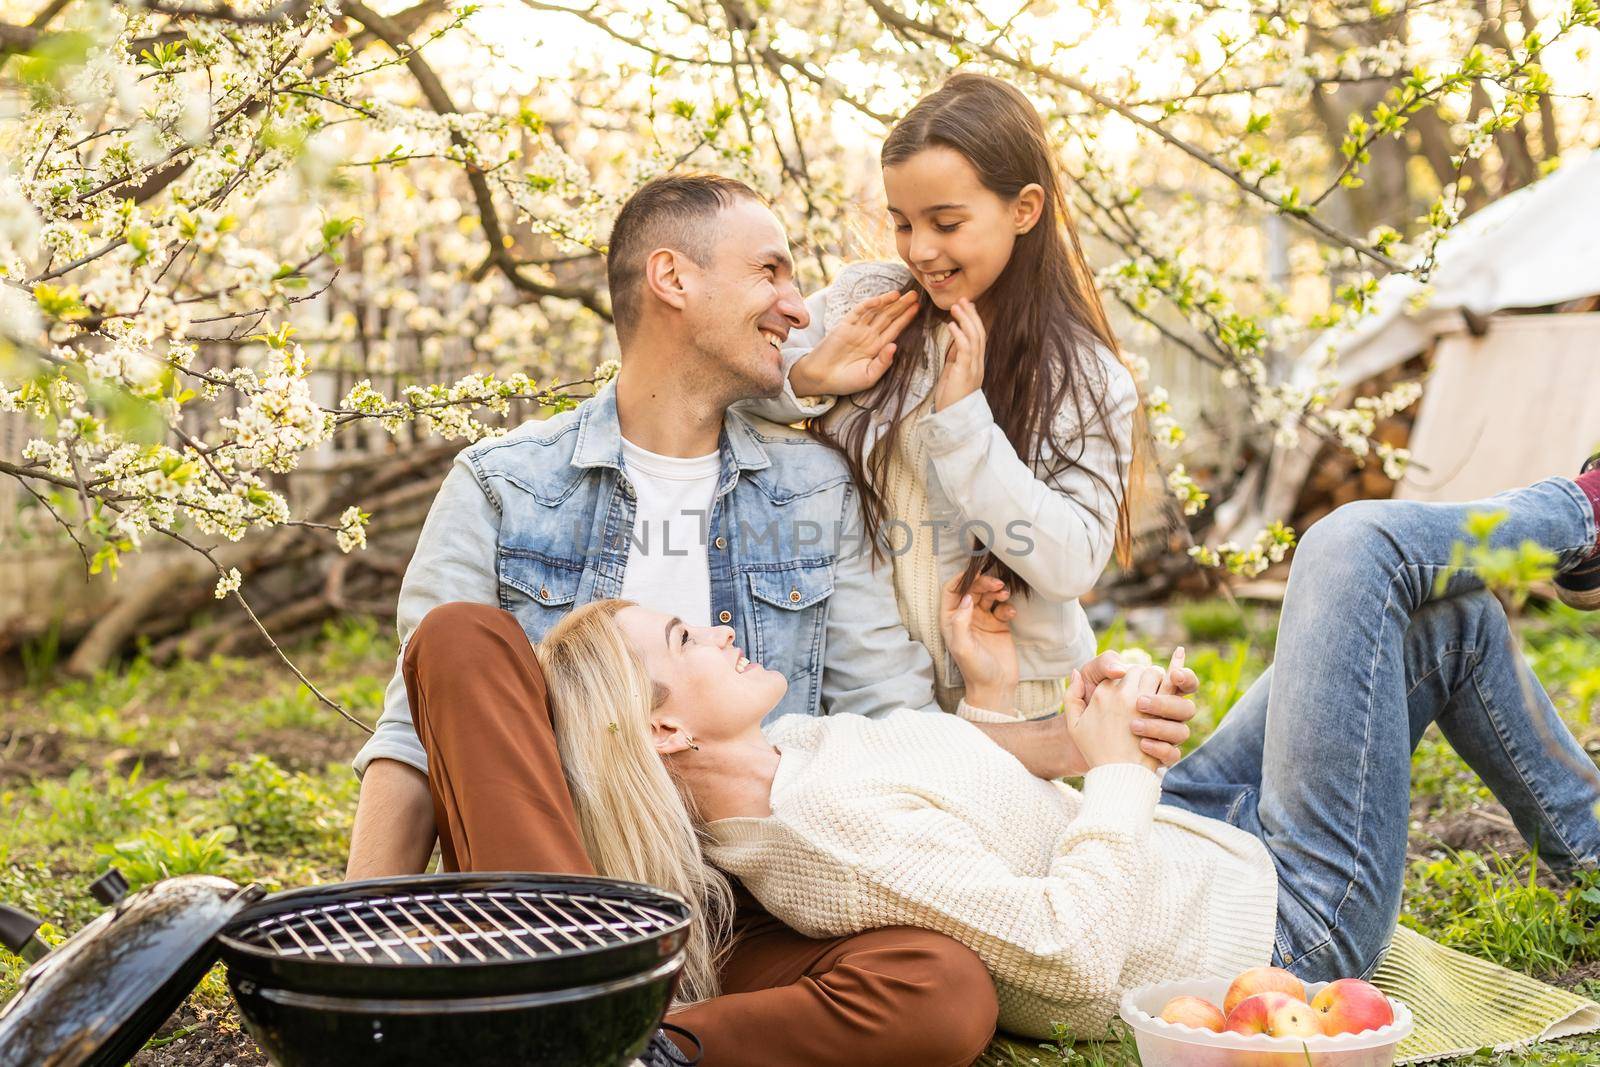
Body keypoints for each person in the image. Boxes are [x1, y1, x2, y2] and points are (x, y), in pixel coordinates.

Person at [345, 172, 1200, 1067]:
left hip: (748, 899)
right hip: (566, 884)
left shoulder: (813, 487)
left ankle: (636, 1050)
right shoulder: (504, 482)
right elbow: (415, 736)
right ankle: (571, 983)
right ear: (673, 279)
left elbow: (888, 721)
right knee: (455, 640)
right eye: (771, 273)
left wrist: (1072, 743)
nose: (799, 309)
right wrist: (355, 965)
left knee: (943, 987)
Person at [531, 467, 1600, 1040]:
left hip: (1196, 844)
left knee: (1441, 621)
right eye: (684, 640)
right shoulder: (824, 838)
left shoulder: (791, 751)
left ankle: (1587, 847)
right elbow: (1070, 956)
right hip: (1285, 921)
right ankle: (1578, 515)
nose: (717, 625)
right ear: (664, 726)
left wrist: (1046, 703)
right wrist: (1118, 773)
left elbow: (966, 798)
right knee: (1351, 548)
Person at [741, 73, 1141, 717]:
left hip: (1015, 693)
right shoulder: (870, 304)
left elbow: (1071, 564)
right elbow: (737, 384)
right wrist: (810, 378)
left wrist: (964, 424)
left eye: (946, 223)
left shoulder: (1086, 377)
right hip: (860, 686)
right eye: (902, 223)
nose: (921, 250)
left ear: (1024, 209)